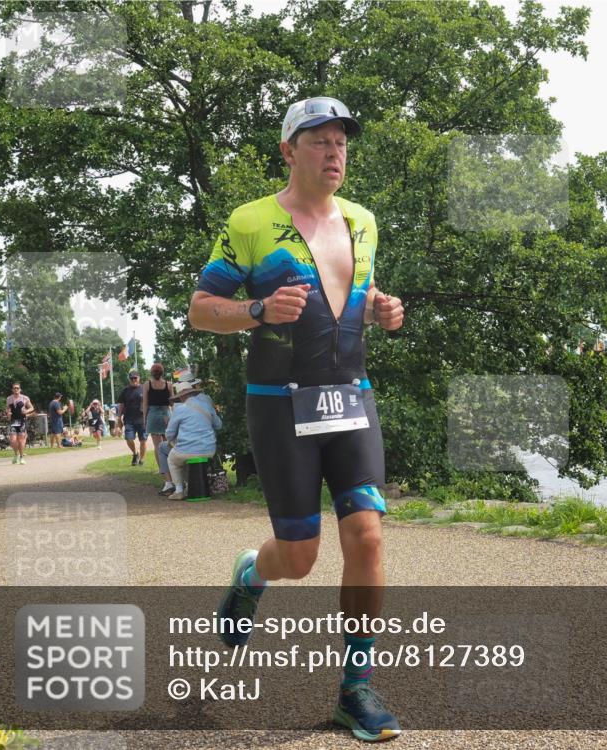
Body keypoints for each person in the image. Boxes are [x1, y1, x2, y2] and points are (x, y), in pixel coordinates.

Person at [188, 96, 405, 743]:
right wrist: (256, 312)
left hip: (350, 397)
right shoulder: (251, 222)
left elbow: (349, 305)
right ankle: (251, 574)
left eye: (341, 141)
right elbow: (202, 308)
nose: (334, 152)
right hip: (279, 403)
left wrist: (381, 312)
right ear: (288, 150)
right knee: (301, 557)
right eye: (318, 141)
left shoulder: (363, 221)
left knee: (366, 537)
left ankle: (355, 689)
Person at [155, 380, 221, 500]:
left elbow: (169, 434)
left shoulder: (180, 409)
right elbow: (218, 425)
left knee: (173, 460)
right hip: (209, 449)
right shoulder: (206, 405)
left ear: (182, 396)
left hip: (187, 450)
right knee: (183, 458)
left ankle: (179, 490)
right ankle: (190, 486)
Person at [142, 363, 174, 459]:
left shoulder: (147, 385)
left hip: (153, 416)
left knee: (157, 446)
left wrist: (145, 419)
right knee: (168, 444)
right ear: (162, 373)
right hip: (166, 416)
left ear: (152, 373)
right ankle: (169, 466)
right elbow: (172, 403)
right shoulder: (169, 385)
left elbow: (145, 404)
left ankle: (162, 470)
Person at [117, 371, 147, 465]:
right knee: (129, 438)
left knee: (143, 439)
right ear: (129, 379)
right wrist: (119, 418)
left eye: (135, 378)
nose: (134, 380)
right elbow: (121, 404)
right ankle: (135, 453)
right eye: (132, 378)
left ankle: (142, 460)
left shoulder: (144, 389)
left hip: (142, 419)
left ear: (139, 378)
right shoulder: (125, 390)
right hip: (129, 419)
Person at [6, 383, 34, 464]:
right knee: (13, 440)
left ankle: (21, 457)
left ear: (20, 389)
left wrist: (26, 411)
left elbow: (32, 407)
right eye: (14, 388)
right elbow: (7, 409)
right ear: (12, 389)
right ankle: (16, 455)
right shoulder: (9, 399)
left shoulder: (24, 398)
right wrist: (8, 413)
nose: (16, 389)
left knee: (21, 440)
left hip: (22, 420)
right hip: (13, 421)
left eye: (17, 388)